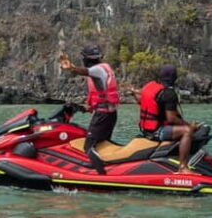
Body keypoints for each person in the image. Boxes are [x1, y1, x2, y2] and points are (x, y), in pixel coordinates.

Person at [59, 44, 120, 174]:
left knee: (88, 146)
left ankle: (102, 175)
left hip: (103, 116)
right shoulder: (106, 67)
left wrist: (71, 68)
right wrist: (86, 108)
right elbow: (101, 95)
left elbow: (84, 71)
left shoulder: (96, 70)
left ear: (86, 59)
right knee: (101, 145)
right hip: (109, 114)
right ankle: (108, 169)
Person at [130, 64, 200, 175]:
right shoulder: (169, 93)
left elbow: (140, 101)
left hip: (146, 130)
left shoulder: (149, 86)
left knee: (185, 128)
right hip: (157, 132)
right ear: (174, 78)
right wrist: (190, 126)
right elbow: (171, 118)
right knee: (187, 131)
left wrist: (134, 92)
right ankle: (182, 168)